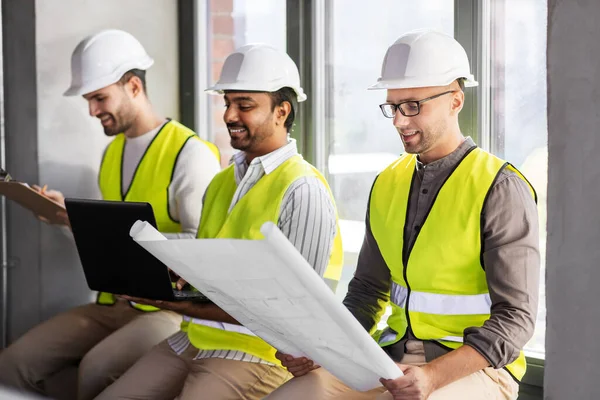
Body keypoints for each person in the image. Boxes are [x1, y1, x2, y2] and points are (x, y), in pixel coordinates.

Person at [267, 29, 540, 400]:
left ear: (455, 100)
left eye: (413, 106)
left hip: (476, 370)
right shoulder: (387, 183)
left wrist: (432, 376)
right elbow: (366, 292)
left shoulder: (500, 187)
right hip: (388, 360)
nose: (399, 120)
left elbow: (515, 319)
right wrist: (322, 350)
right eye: (393, 107)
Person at [94, 43, 344, 400]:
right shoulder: (222, 182)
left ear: (281, 111)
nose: (229, 115)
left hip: (259, 352)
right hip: (193, 337)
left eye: (244, 105)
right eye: (227, 103)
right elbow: (206, 266)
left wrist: (175, 303)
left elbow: (295, 311)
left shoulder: (302, 188)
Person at [0, 29, 221, 400]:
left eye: (99, 98)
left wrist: (122, 235)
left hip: (166, 311)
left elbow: (203, 246)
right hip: (110, 304)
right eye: (89, 100)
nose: (92, 111)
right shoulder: (112, 153)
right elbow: (108, 241)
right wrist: (67, 218)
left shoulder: (190, 154)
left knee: (96, 370)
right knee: (11, 365)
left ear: (134, 86)